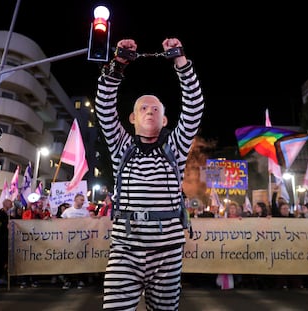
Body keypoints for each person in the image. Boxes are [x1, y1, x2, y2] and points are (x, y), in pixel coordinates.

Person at [95, 37, 204, 310]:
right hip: (125, 250)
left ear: (165, 119)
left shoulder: (175, 148)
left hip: (167, 253)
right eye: (143, 108)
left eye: (156, 109)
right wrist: (118, 65)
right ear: (132, 118)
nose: (149, 112)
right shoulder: (121, 146)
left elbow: (194, 107)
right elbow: (104, 107)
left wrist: (180, 61)